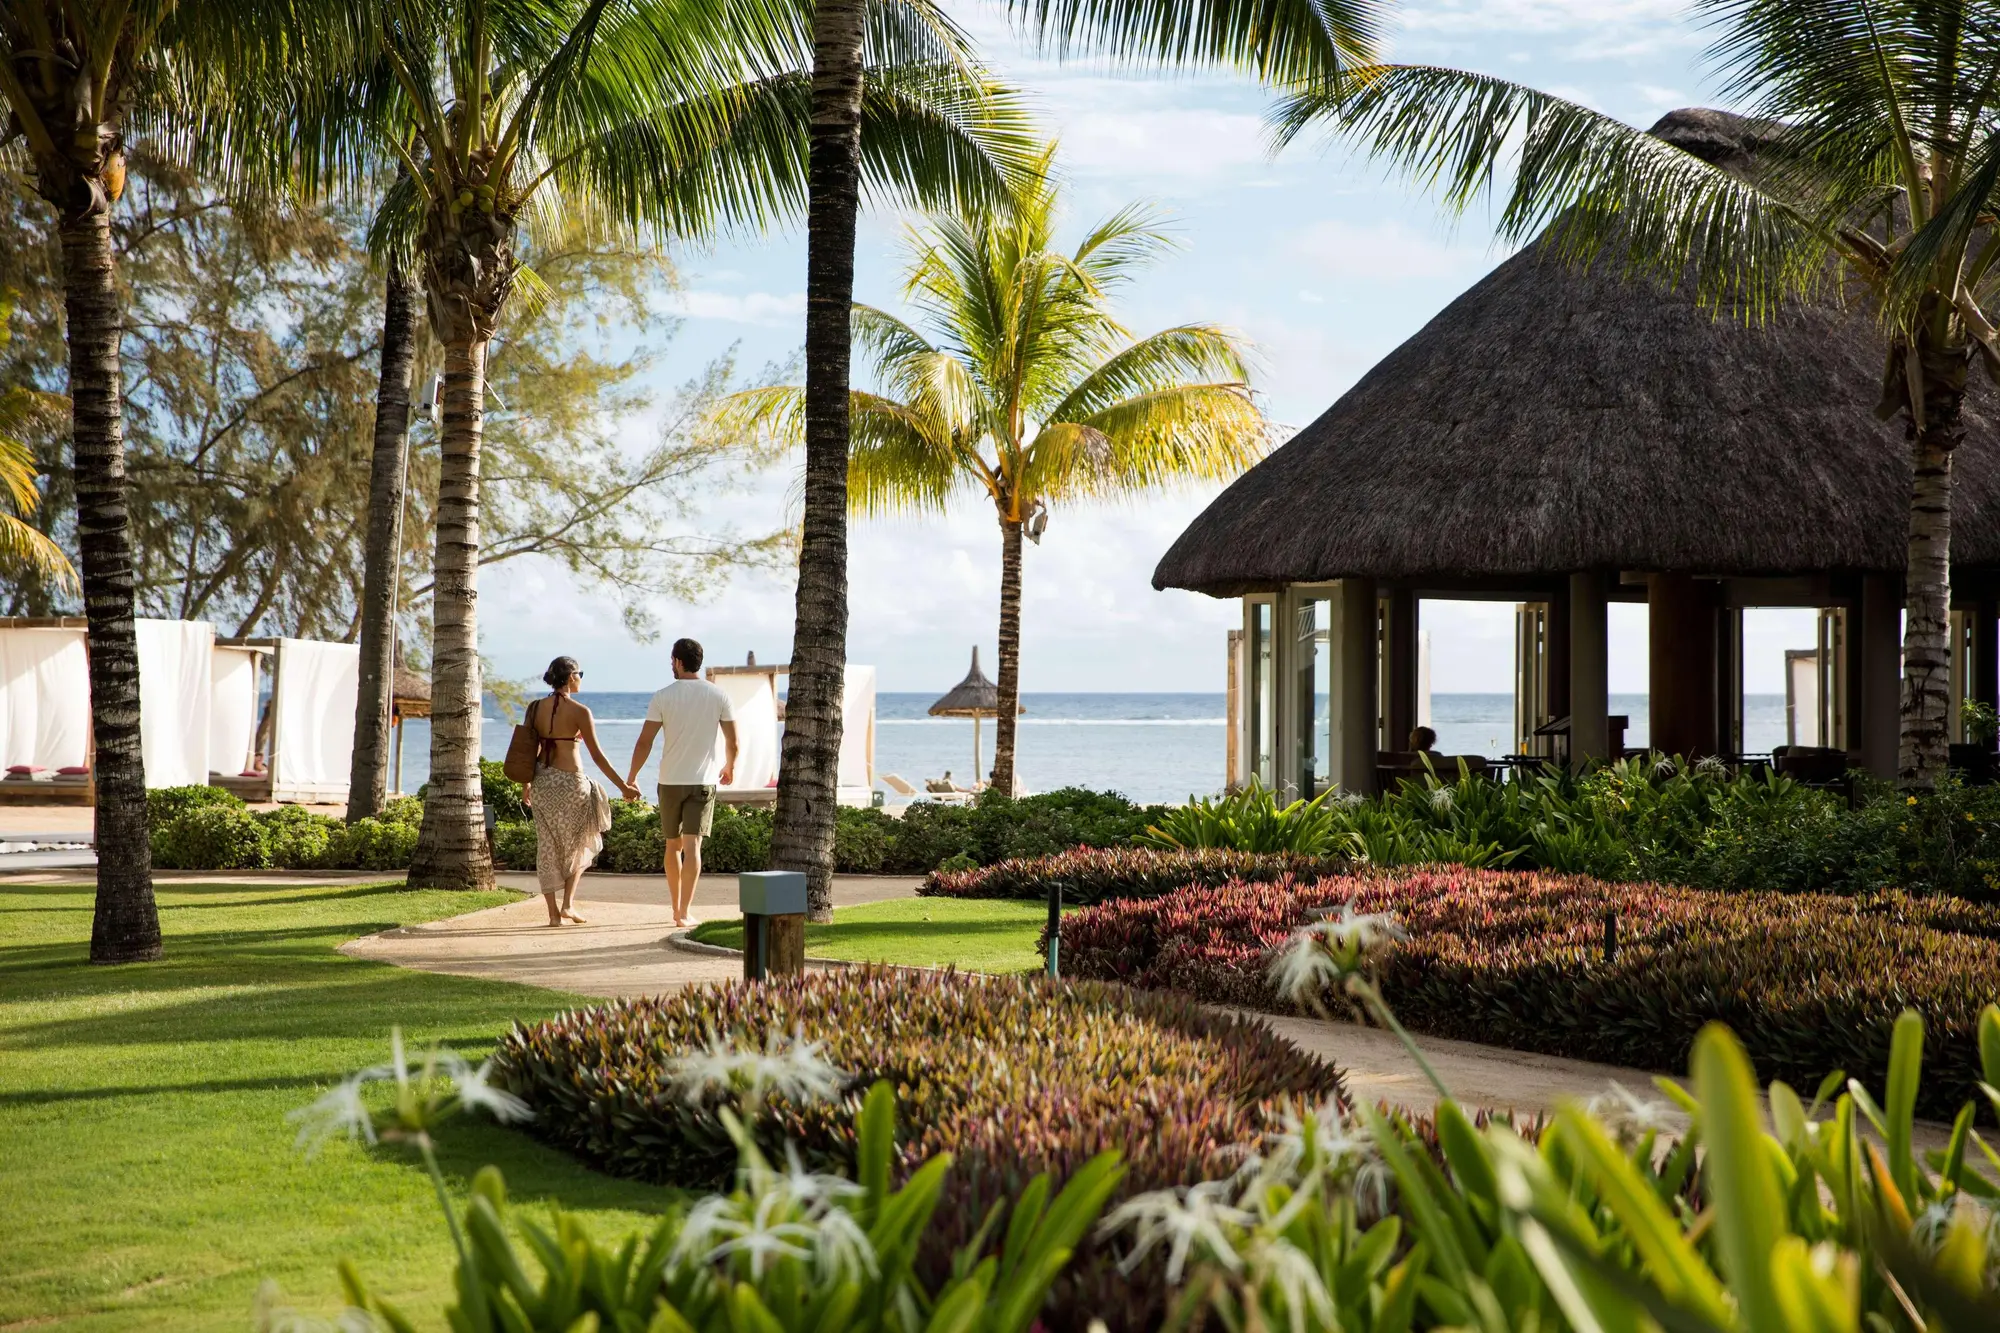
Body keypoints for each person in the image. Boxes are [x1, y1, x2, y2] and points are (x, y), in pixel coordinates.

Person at [625, 638, 738, 928]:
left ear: (677, 661)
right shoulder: (718, 695)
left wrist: (632, 777)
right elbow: (733, 742)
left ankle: (675, 908)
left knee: (672, 846)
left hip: (670, 781)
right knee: (693, 846)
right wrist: (729, 766)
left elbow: (643, 742)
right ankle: (684, 913)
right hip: (702, 782)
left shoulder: (662, 697)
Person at [523, 656, 636, 927]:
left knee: (547, 846)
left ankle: (552, 915)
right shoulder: (580, 711)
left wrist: (526, 784)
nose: (581, 678)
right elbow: (597, 755)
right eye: (580, 673)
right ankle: (568, 905)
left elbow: (527, 750)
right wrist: (623, 786)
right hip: (572, 785)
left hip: (542, 783)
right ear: (571, 676)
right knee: (582, 840)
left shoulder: (534, 708)